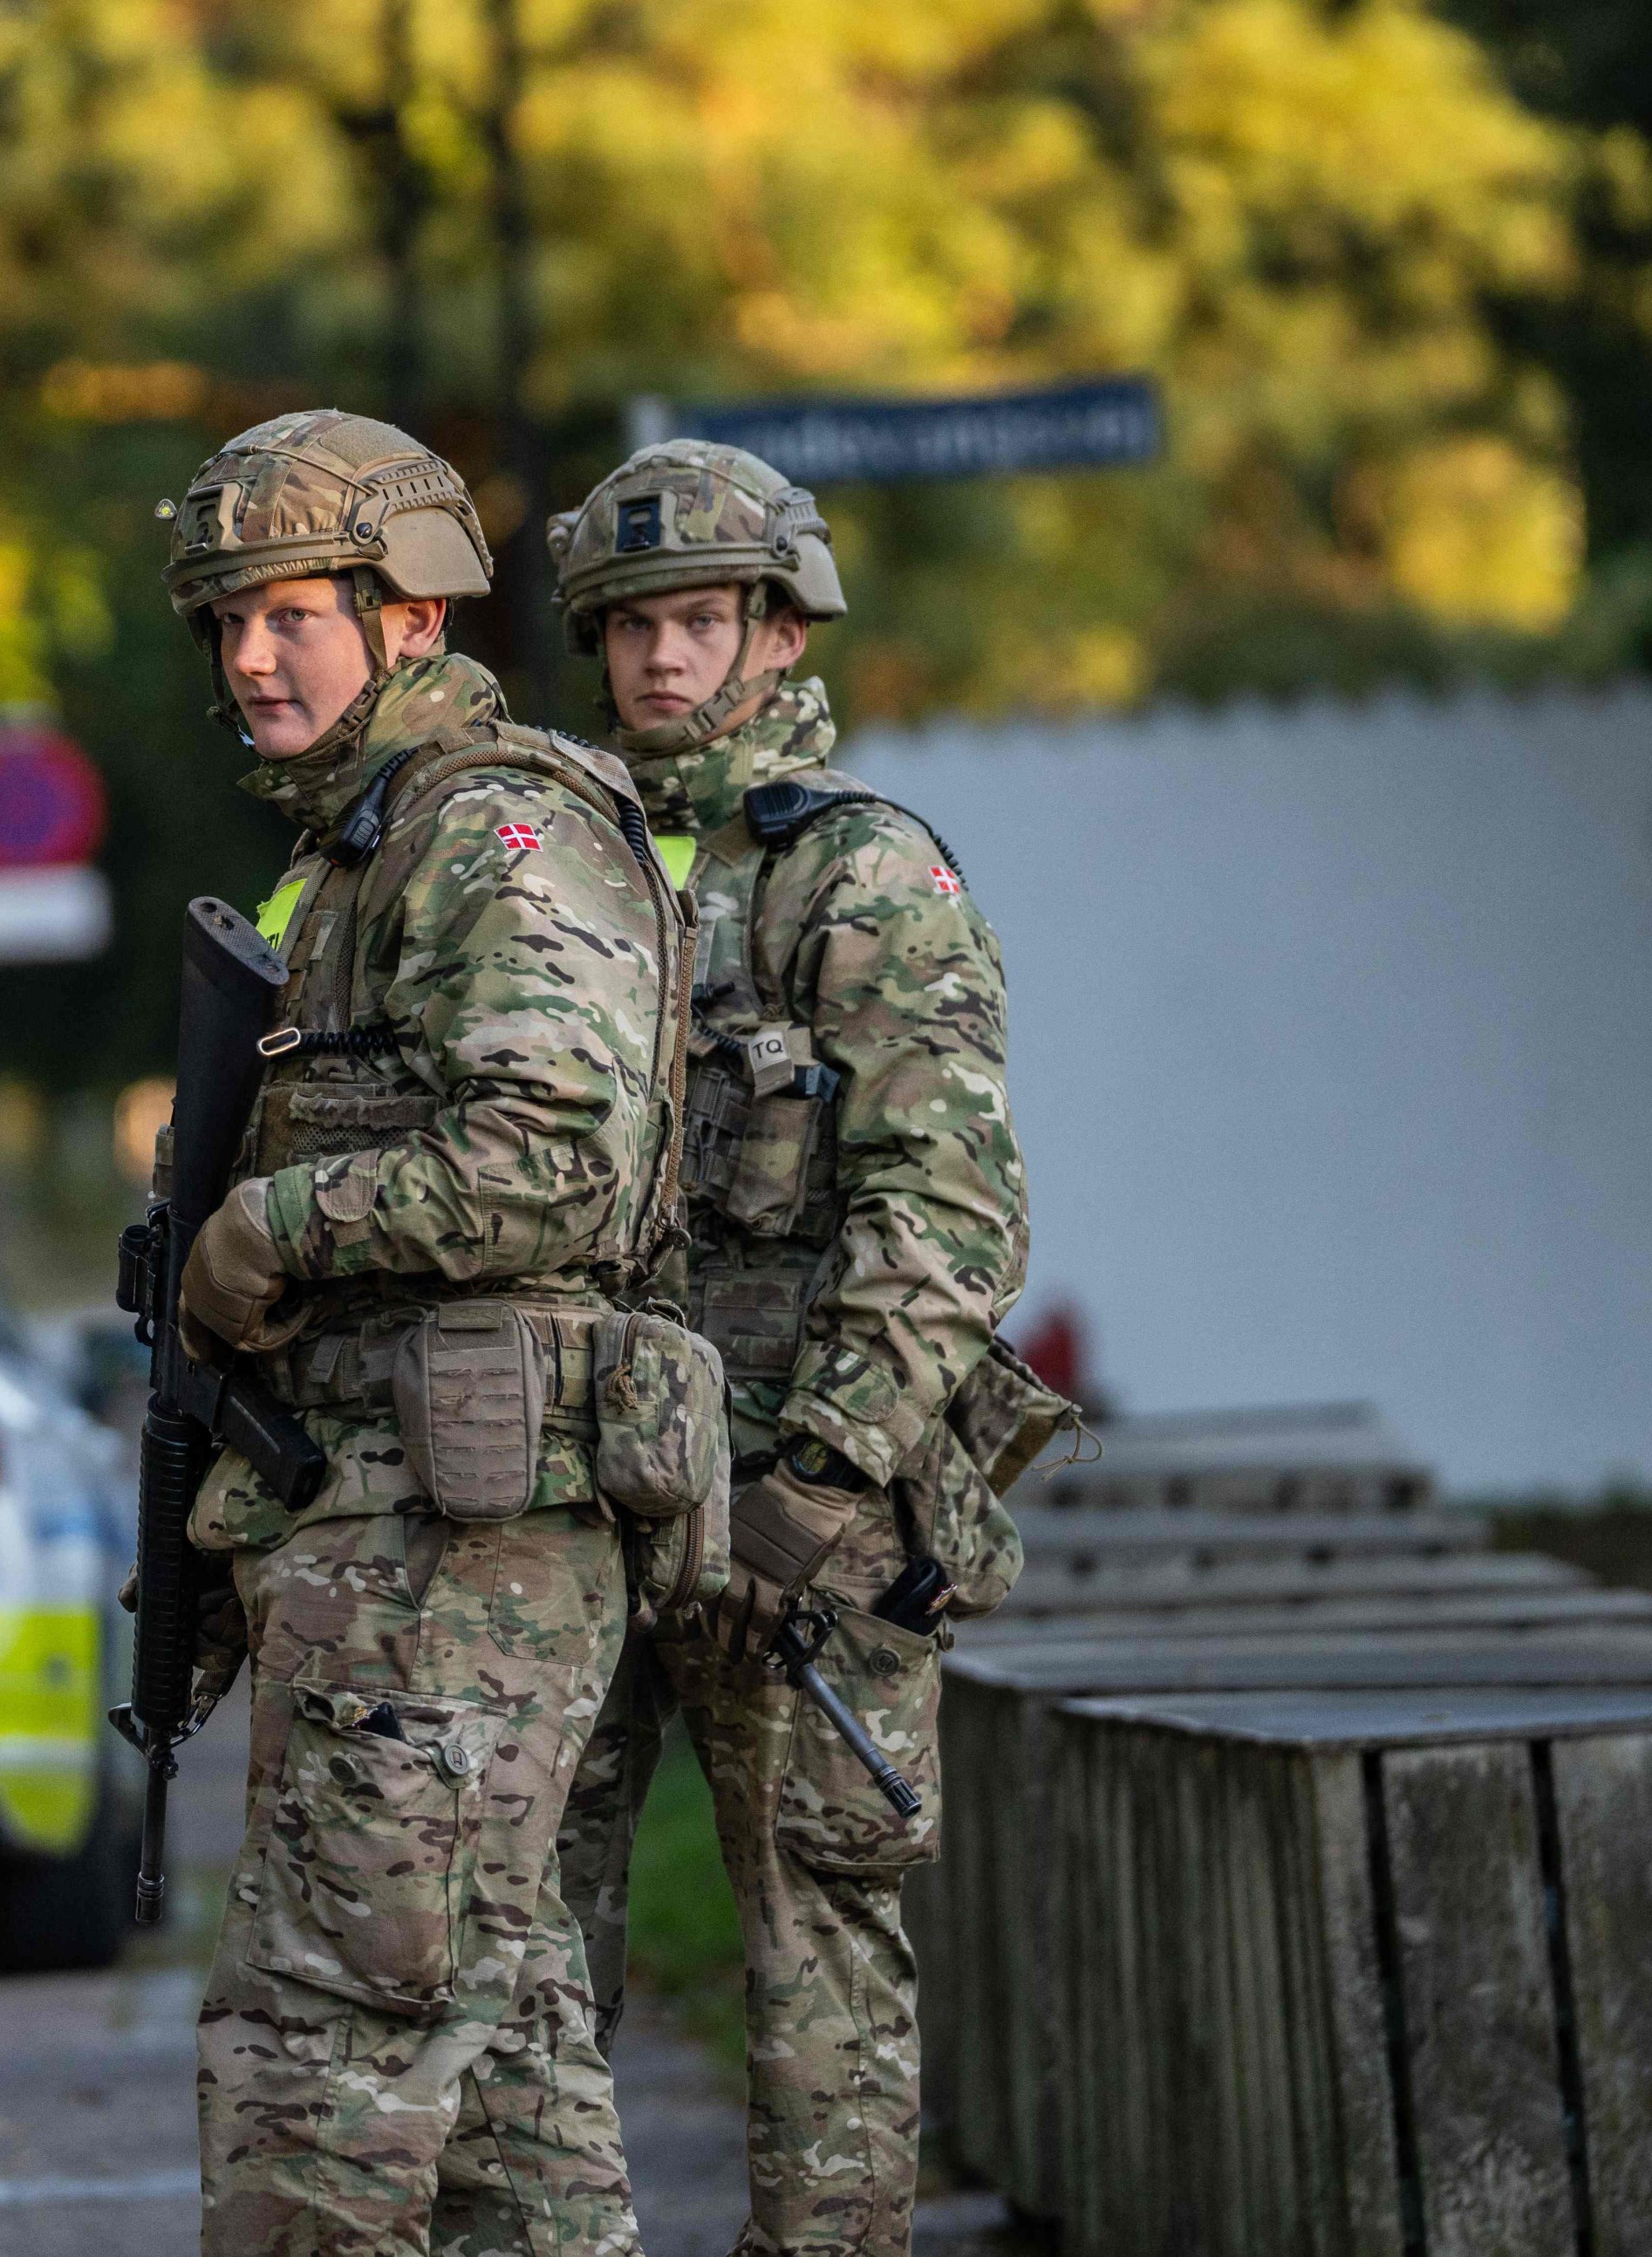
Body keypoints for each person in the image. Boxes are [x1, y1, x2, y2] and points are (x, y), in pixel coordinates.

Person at [160, 411, 701, 2255]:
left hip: (457, 1559)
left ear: (408, 616)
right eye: (222, 619)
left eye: (289, 610)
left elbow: (554, 1152)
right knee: (505, 2088)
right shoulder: (366, 854)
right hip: (393, 1546)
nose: (246, 655)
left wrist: (277, 1222)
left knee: (317, 2056)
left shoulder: (495, 830)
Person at [543, 444, 1039, 2257]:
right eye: (627, 628)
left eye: (695, 621)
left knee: (822, 1976)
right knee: (517, 1952)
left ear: (771, 627)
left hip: (801, 1526)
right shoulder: (548, 873)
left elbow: (948, 1217)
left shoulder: (861, 875)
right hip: (575, 1504)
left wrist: (816, 1482)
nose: (660, 662)